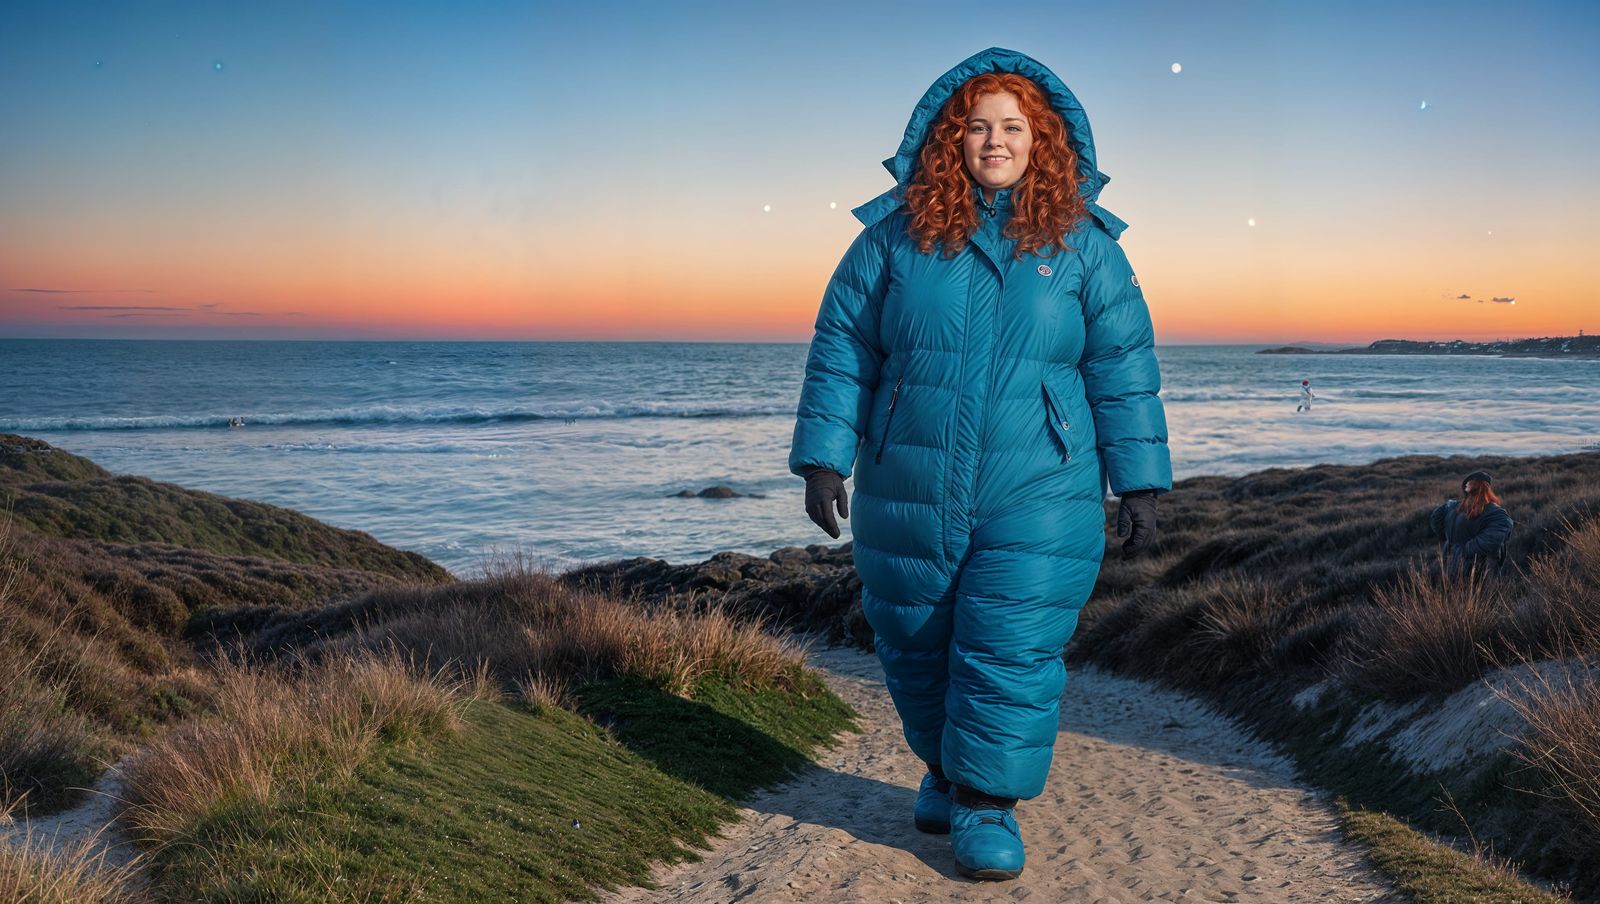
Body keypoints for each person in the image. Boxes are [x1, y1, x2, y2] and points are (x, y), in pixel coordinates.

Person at [789, 47, 1171, 881]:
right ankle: (946, 767)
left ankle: (987, 806)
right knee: (915, 639)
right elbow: (844, 350)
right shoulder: (891, 241)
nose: (994, 140)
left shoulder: (1085, 248)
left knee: (1010, 645)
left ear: (1044, 140)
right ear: (946, 138)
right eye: (976, 126)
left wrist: (1137, 479)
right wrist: (823, 459)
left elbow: (1122, 364)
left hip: (1041, 483)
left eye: (1013, 126)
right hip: (907, 480)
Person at [1429, 470, 1514, 573]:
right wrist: (1463, 550)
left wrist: (1451, 542)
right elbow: (1493, 539)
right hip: (1476, 571)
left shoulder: (1451, 506)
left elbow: (1435, 520)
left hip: (1450, 564)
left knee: (1450, 587)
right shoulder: (1496, 513)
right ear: (1488, 489)